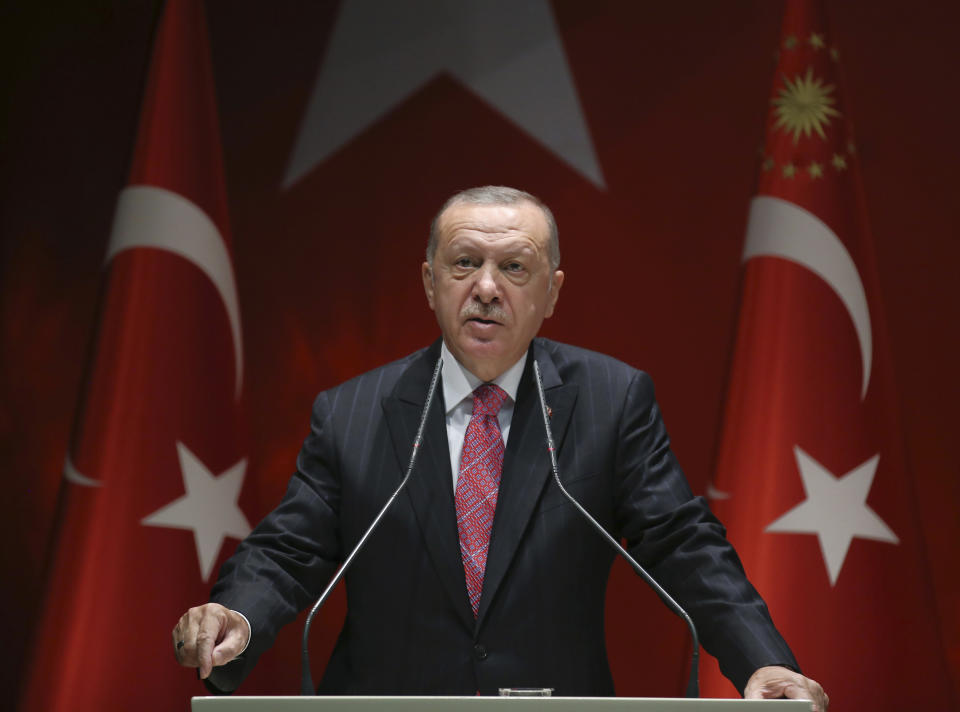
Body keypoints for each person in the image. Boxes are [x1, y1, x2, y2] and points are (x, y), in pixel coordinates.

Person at [172, 186, 828, 710]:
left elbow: (684, 547)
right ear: (431, 283)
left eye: (514, 267)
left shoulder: (610, 400)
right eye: (465, 264)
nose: (487, 287)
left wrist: (761, 658)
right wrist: (238, 615)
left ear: (551, 294)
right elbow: (291, 551)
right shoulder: (354, 413)